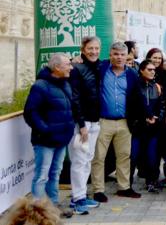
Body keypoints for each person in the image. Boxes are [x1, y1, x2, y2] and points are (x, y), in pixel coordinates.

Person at [24, 53, 76, 218]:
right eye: (68, 64)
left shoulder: (64, 83)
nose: (71, 67)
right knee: (42, 175)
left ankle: (53, 207)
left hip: (61, 139)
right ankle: (38, 212)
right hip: (45, 140)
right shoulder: (40, 86)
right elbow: (31, 112)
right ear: (57, 68)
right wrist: (45, 129)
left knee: (55, 173)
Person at [91, 42, 141, 202]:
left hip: (124, 122)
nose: (119, 57)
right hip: (103, 121)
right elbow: (85, 63)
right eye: (115, 54)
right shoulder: (101, 69)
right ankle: (98, 190)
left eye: (122, 54)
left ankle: (124, 187)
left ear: (127, 56)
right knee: (99, 157)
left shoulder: (132, 74)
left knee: (124, 156)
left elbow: (137, 96)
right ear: (110, 55)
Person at [68, 36, 103, 214]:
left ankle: (81, 195)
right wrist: (81, 124)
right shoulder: (76, 68)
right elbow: (75, 98)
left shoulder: (99, 66)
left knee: (87, 160)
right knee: (79, 160)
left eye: (96, 48)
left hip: (96, 121)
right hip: (81, 124)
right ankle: (77, 199)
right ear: (83, 49)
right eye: (90, 48)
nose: (94, 51)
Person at [127, 60, 166, 193]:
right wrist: (143, 118)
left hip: (153, 128)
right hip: (138, 127)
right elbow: (132, 107)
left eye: (154, 69)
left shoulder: (157, 87)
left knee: (153, 156)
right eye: (149, 69)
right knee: (132, 156)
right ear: (141, 70)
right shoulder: (134, 86)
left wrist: (158, 118)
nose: (152, 71)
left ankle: (151, 182)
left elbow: (162, 106)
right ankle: (127, 184)